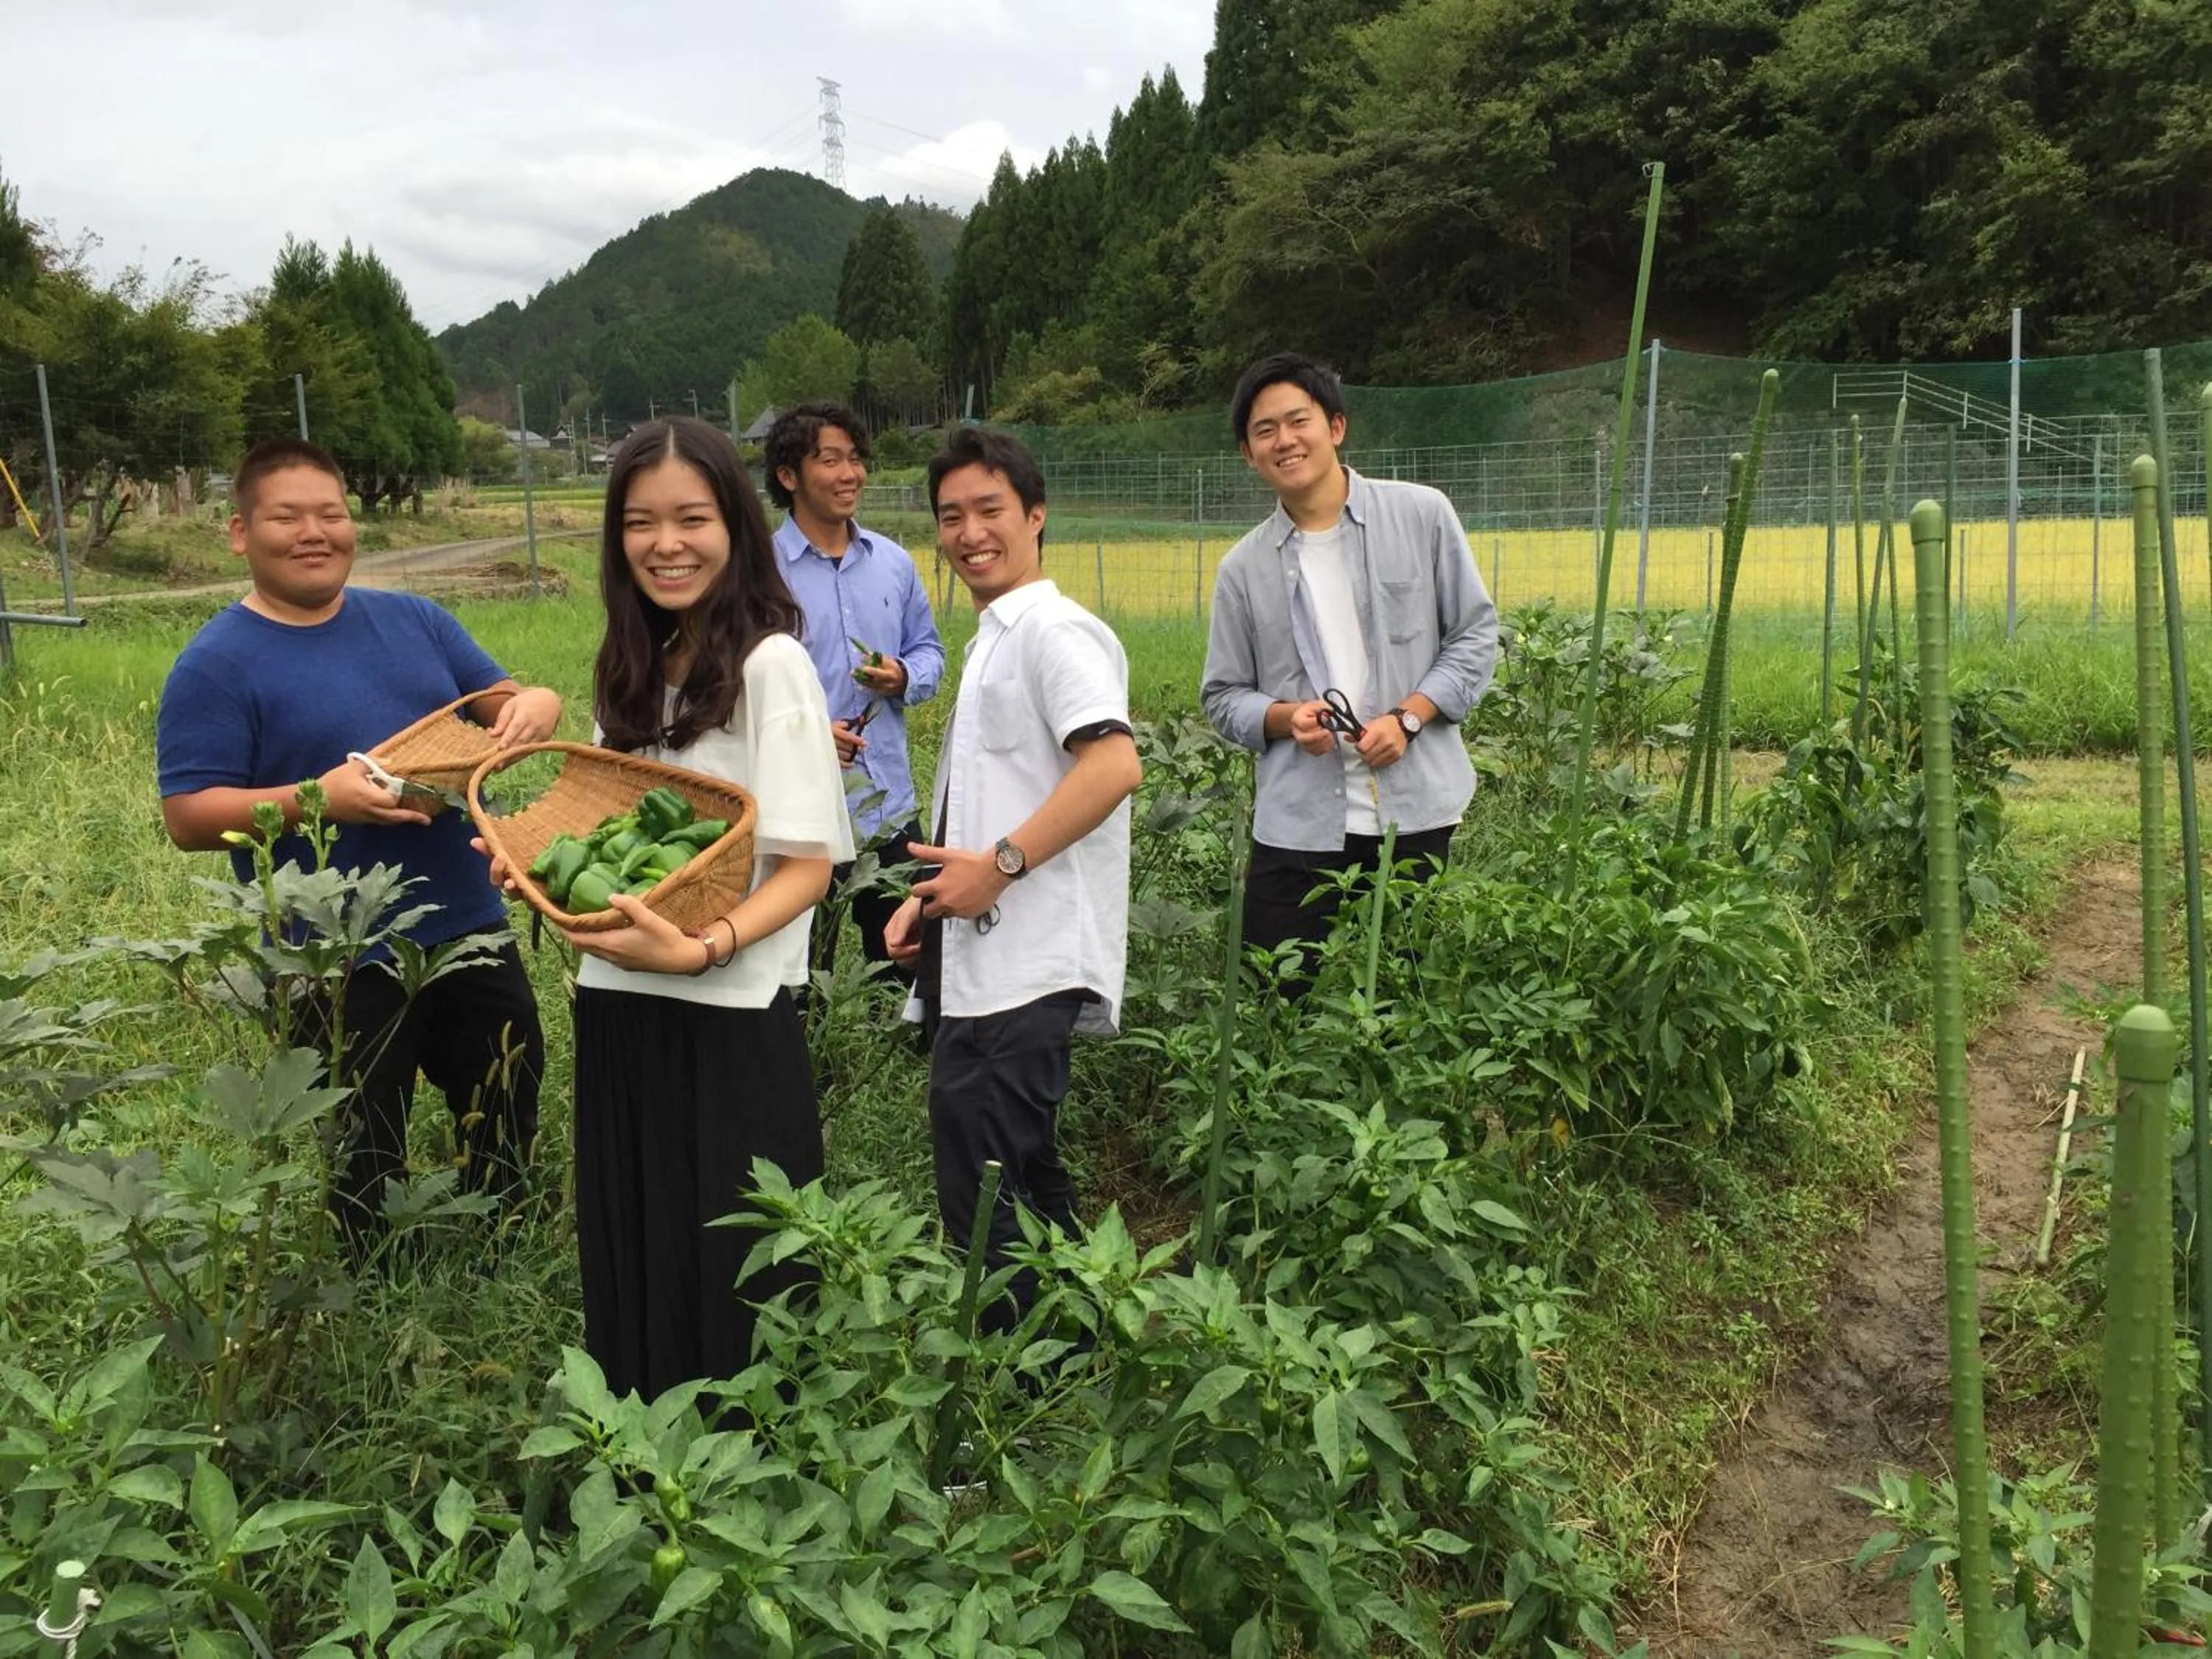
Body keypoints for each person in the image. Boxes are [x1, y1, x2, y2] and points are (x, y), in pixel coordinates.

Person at [486, 416, 852, 1402]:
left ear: (735, 524)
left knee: (737, 1275)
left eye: (692, 518)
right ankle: (644, 1460)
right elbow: (603, 832)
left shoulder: (771, 665)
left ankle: (747, 1469)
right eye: (641, 522)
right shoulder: (633, 664)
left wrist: (703, 948)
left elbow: (807, 868)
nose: (666, 543)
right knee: (637, 1243)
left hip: (728, 1014)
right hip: (617, 1001)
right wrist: (535, 870)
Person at [156, 437, 559, 1262]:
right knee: (362, 1135)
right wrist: (319, 800)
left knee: (506, 1089)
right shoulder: (215, 664)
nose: (315, 533)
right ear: (239, 533)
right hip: (331, 950)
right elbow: (189, 817)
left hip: (466, 918)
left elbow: (500, 702)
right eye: (287, 518)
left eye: (331, 514)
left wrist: (538, 703)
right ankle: (375, 1284)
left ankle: (504, 1247)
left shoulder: (416, 621)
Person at [885, 426, 1141, 1315]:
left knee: (984, 1198)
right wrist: (931, 905)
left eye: (989, 509)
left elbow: (1113, 766)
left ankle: (1009, 1374)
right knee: (1022, 1174)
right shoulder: (996, 638)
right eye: (950, 516)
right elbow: (997, 792)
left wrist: (996, 869)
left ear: (1036, 514)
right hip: (988, 959)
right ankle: (1080, 1344)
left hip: (1025, 965)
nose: (969, 533)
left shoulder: (1053, 632)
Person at [1200, 352, 1498, 970]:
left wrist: (1409, 718)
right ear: (1248, 454)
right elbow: (1223, 695)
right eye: (1264, 431)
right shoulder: (1242, 569)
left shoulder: (1421, 515)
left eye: (1298, 420)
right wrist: (1286, 718)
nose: (1284, 440)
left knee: (1411, 993)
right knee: (1279, 992)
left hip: (1415, 813)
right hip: (1298, 825)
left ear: (1335, 426)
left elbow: (1474, 635)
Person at [764, 403, 944, 984]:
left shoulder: (892, 563)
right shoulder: (758, 573)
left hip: (888, 807)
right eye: (830, 460)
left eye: (855, 459)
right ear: (788, 476)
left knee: (905, 963)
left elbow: (930, 651)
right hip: (798, 812)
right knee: (797, 974)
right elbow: (734, 687)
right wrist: (810, 736)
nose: (851, 474)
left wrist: (903, 676)